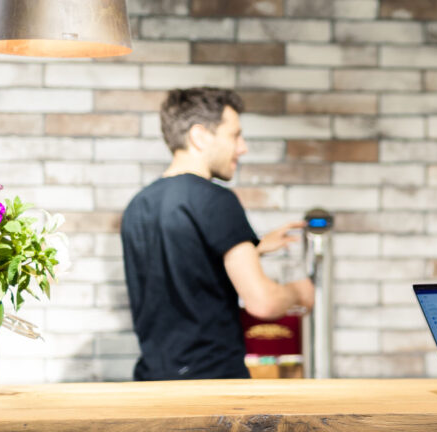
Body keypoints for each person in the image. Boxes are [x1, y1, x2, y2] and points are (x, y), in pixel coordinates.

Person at [121, 87, 314, 381]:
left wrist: (256, 248)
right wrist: (301, 292)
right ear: (199, 136)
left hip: (151, 384)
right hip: (213, 389)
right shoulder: (215, 200)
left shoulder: (138, 205)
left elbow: (182, 264)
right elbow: (263, 302)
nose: (243, 147)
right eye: (235, 135)